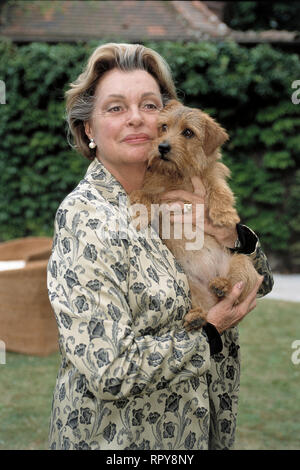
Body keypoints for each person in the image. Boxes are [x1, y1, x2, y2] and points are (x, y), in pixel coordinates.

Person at [47, 43, 273, 450]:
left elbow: (263, 282)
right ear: (89, 131)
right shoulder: (86, 219)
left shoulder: (187, 189)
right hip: (121, 442)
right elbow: (109, 369)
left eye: (149, 106)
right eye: (115, 108)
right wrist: (211, 332)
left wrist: (232, 236)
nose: (136, 119)